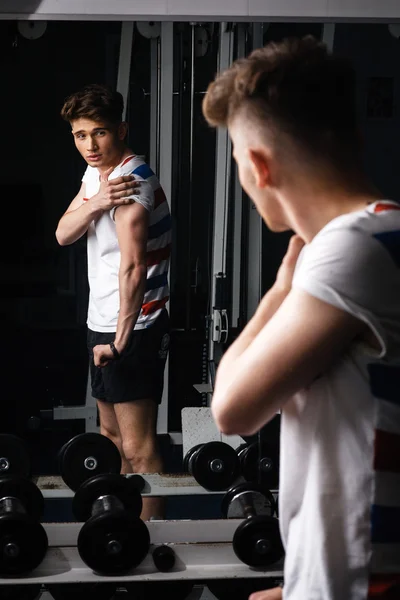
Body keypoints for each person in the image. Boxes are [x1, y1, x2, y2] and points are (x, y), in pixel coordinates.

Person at [202, 36, 400, 600]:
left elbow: (233, 410)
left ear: (259, 167)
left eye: (239, 162)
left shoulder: (352, 248)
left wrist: (279, 291)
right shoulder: (383, 232)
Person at [56, 83, 171, 521]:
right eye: (80, 135)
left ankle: (157, 538)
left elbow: (134, 269)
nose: (89, 145)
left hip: (135, 326)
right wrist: (97, 199)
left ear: (121, 129)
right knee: (110, 436)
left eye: (99, 133)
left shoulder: (134, 184)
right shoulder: (97, 177)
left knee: (139, 448)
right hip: (103, 319)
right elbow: (64, 233)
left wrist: (121, 342)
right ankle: (124, 532)